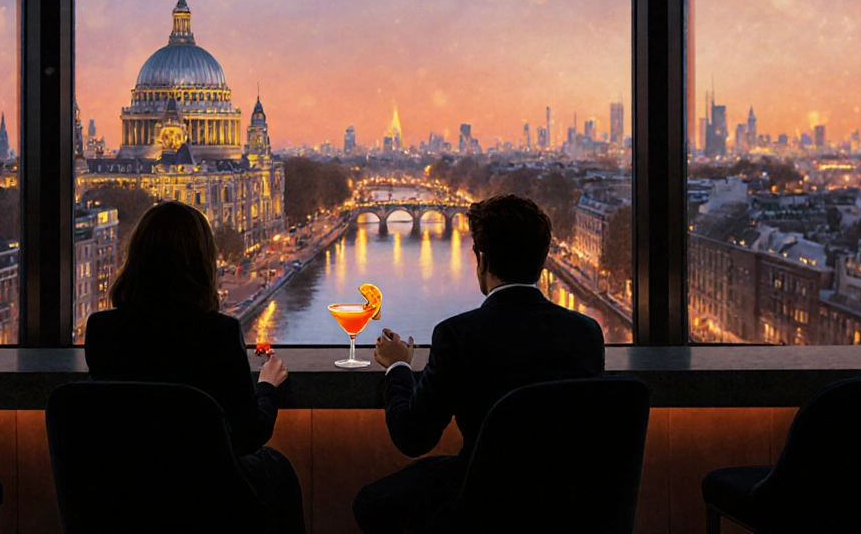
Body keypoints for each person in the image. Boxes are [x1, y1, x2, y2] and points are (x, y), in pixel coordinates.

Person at [353, 194, 606, 534]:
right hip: (570, 501)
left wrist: (398, 368)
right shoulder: (587, 332)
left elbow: (413, 438)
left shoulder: (458, 335)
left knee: (371, 502)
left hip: (484, 498)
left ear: (482, 262)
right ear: (542, 261)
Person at [84, 201, 305, 534]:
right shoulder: (218, 333)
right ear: (202, 262)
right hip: (206, 502)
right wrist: (268, 387)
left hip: (124, 497)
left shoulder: (100, 330)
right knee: (277, 467)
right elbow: (248, 436)